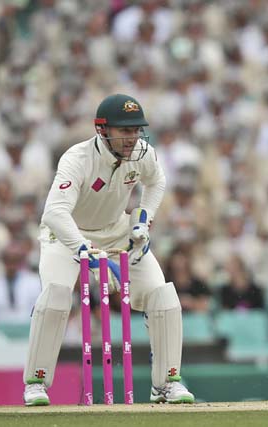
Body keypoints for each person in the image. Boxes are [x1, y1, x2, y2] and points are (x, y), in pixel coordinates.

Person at [22, 94, 194, 406]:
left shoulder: (142, 153)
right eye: (124, 131)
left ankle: (167, 383)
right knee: (56, 296)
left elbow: (157, 182)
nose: (132, 138)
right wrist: (83, 251)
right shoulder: (77, 159)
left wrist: (142, 219)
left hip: (117, 234)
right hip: (66, 235)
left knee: (163, 296)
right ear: (102, 130)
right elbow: (54, 214)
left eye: (136, 130)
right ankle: (36, 383)